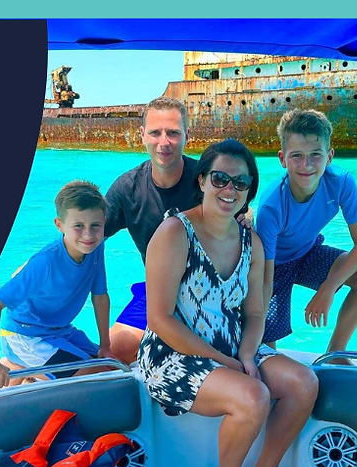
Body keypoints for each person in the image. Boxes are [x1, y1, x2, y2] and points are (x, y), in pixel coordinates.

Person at [138, 139, 318, 467]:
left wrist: (248, 354)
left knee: (304, 383)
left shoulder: (250, 242)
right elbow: (160, 319)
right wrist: (229, 362)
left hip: (235, 344)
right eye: (220, 178)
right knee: (252, 396)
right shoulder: (174, 233)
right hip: (173, 353)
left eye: (241, 183)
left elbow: (255, 313)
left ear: (249, 191)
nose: (229, 189)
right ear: (202, 180)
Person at [104, 96, 250, 365]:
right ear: (142, 136)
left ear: (187, 135)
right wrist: (43, 266)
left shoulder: (208, 182)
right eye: (155, 133)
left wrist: (246, 219)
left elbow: (242, 213)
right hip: (161, 293)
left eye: (173, 133)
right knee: (113, 353)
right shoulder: (128, 189)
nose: (164, 142)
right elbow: (87, 236)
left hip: (211, 296)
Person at [256, 109, 357, 359]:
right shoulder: (271, 206)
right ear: (282, 159)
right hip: (272, 266)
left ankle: (337, 352)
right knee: (266, 353)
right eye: (297, 156)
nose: (307, 165)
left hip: (307, 252)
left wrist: (328, 287)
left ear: (329, 156)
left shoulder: (342, 182)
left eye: (316, 154)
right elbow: (264, 278)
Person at [0, 180, 115, 389]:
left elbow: (99, 296)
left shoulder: (96, 248)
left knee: (112, 369)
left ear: (104, 222)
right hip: (25, 335)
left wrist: (106, 345)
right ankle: (24, 372)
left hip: (60, 331)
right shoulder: (45, 263)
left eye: (95, 225)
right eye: (78, 226)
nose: (88, 234)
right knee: (96, 379)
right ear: (60, 225)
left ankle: (29, 375)